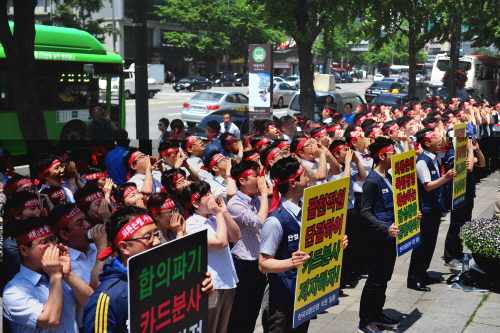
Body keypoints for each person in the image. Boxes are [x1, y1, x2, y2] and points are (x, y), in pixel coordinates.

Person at [83, 206, 214, 332]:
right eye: (147, 237)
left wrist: (199, 296)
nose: (157, 241)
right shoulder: (107, 299)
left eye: (156, 234)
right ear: (124, 247)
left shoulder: (171, 274)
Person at [259, 157, 347, 332]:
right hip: (282, 300)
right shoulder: (275, 221)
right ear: (293, 183)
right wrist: (292, 262)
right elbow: (263, 264)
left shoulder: (308, 211)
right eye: (303, 175)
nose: (308, 179)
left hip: (303, 295)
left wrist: (336, 242)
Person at [3, 216, 93, 333]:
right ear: (24, 250)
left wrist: (68, 275)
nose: (53, 246)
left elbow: (90, 302)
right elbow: (51, 320)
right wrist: (55, 276)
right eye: (44, 242)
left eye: (53, 239)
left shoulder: (60, 275)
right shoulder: (15, 291)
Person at [182, 181, 241, 333]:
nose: (212, 197)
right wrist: (220, 214)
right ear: (195, 203)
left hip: (227, 281)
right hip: (210, 286)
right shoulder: (191, 225)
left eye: (210, 193)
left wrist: (224, 213)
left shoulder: (215, 219)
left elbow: (236, 236)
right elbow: (220, 242)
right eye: (207, 195)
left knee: (222, 329)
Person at [358, 137, 402, 333]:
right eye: (391, 153)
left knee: (384, 278)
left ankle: (377, 313)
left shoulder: (390, 177)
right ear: (382, 156)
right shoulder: (371, 181)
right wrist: (385, 229)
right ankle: (365, 321)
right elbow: (365, 212)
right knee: (374, 280)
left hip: (390, 237)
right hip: (378, 238)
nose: (394, 156)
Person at [407, 128, 456, 292]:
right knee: (422, 245)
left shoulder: (434, 157)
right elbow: (427, 186)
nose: (439, 140)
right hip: (426, 209)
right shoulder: (422, 161)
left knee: (430, 244)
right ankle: (414, 278)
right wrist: (445, 178)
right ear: (427, 143)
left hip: (434, 207)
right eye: (435, 138)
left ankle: (423, 273)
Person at [48, 204, 108, 329]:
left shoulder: (92, 247)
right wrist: (102, 248)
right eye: (80, 223)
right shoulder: (64, 262)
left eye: (86, 219)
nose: (88, 225)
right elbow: (97, 292)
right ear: (64, 235)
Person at [226, 161, 269, 333]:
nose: (260, 180)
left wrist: (264, 194)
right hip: (243, 263)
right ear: (242, 181)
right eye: (255, 176)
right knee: (240, 311)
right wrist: (265, 195)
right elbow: (259, 222)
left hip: (258, 261)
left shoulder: (257, 199)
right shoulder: (235, 204)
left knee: (253, 309)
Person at [442, 138, 485, 267]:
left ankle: (458, 252)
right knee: (456, 225)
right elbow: (470, 168)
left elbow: (482, 163)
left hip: (468, 193)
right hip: (458, 194)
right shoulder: (451, 154)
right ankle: (450, 257)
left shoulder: (466, 154)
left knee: (464, 224)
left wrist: (477, 150)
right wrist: (471, 151)